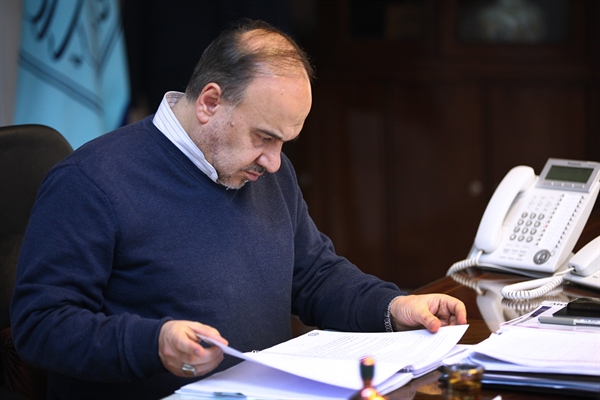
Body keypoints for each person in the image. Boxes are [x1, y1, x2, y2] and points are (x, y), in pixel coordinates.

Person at [10, 19, 467, 399]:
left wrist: (393, 306)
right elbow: (40, 325)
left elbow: (313, 276)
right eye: (264, 137)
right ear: (210, 102)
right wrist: (154, 343)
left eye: (284, 142)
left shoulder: (264, 171)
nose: (274, 162)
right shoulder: (91, 181)